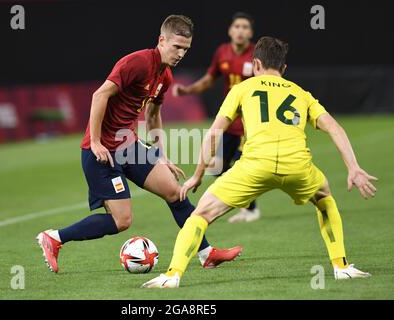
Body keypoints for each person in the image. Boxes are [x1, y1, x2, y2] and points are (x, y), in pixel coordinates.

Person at [142, 36, 377, 288]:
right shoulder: (300, 93)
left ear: (255, 65)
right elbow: (334, 127)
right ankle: (341, 267)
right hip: (297, 166)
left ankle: (172, 275)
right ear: (283, 69)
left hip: (254, 166)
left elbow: (214, 133)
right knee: (325, 200)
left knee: (199, 215)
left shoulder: (242, 89)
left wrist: (198, 174)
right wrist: (353, 167)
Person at [36, 15, 242, 274]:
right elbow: (99, 95)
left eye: (185, 49)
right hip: (102, 153)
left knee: (174, 192)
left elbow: (153, 116)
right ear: (161, 40)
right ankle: (54, 238)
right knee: (122, 221)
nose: (180, 54)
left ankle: (206, 253)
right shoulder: (138, 62)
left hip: (128, 146)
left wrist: (161, 155)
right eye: (176, 47)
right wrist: (97, 142)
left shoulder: (164, 76)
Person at [172, 12, 261, 223]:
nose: (240, 31)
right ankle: (246, 204)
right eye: (237, 26)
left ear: (250, 32)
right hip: (228, 121)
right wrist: (188, 91)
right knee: (217, 167)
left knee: (242, 169)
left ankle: (250, 208)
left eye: (245, 27)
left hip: (249, 124)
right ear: (230, 30)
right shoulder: (222, 52)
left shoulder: (257, 55)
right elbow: (210, 79)